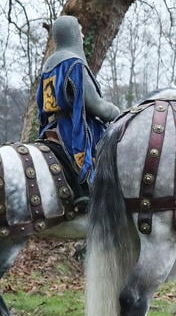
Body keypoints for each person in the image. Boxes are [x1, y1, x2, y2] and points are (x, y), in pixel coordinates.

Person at [36, 15, 122, 210]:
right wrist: (117, 112)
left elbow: (40, 101)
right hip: (70, 129)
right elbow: (96, 106)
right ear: (73, 34)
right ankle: (90, 196)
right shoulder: (73, 63)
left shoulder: (49, 65)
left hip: (52, 128)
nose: (83, 35)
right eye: (80, 31)